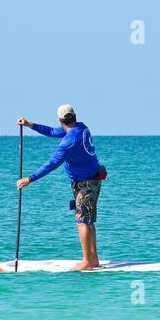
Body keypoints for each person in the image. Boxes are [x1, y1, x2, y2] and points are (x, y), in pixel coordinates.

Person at [16, 105, 105, 270]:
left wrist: (30, 178)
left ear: (61, 119)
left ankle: (87, 262)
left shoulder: (68, 142)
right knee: (89, 220)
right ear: (74, 117)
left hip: (85, 184)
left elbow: (52, 164)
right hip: (94, 179)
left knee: (82, 221)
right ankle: (94, 259)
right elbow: (53, 131)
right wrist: (30, 125)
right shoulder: (82, 127)